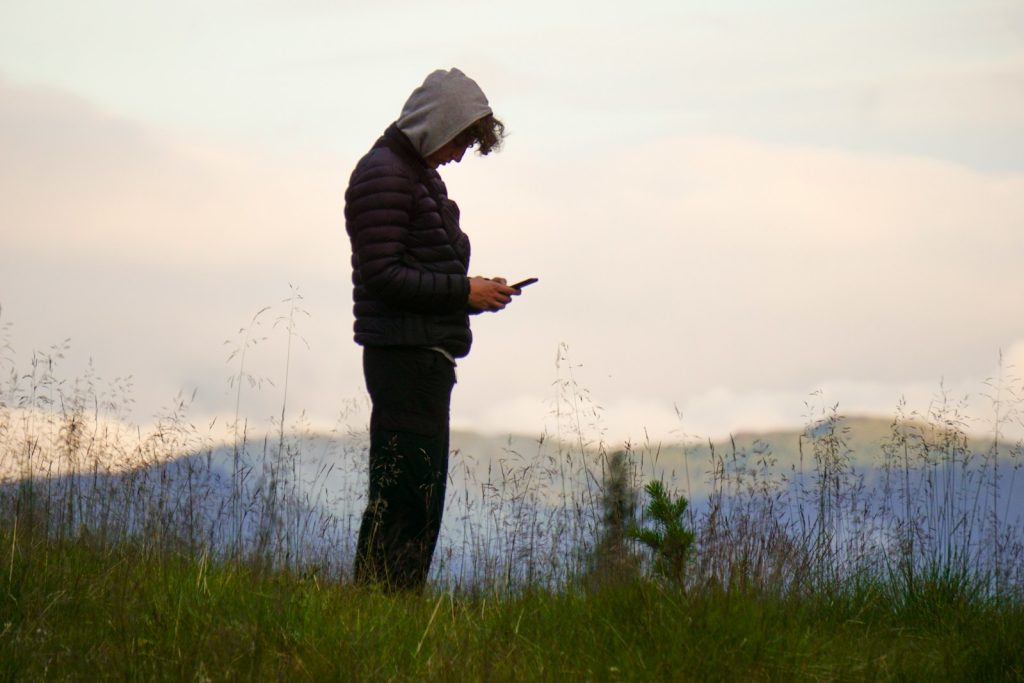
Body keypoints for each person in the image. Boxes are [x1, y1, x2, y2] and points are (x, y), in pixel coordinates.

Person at [344, 68, 517, 591]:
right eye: (460, 140)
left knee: (419, 497)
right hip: (403, 356)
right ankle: (381, 605)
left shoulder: (415, 175)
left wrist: (474, 292)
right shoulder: (386, 174)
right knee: (404, 497)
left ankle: (391, 607)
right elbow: (383, 275)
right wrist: (465, 293)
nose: (461, 155)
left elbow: (416, 269)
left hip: (421, 354)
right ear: (437, 124)